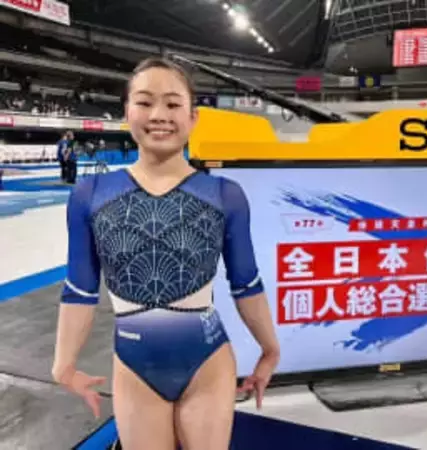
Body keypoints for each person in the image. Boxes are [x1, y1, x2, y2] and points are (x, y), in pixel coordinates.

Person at [51, 57, 280, 450]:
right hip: (134, 369)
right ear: (127, 112)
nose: (159, 115)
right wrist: (63, 364)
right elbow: (80, 289)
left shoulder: (225, 195)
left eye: (173, 104)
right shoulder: (90, 195)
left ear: (193, 118)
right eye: (145, 102)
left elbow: (246, 282)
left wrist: (270, 349)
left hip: (207, 363)